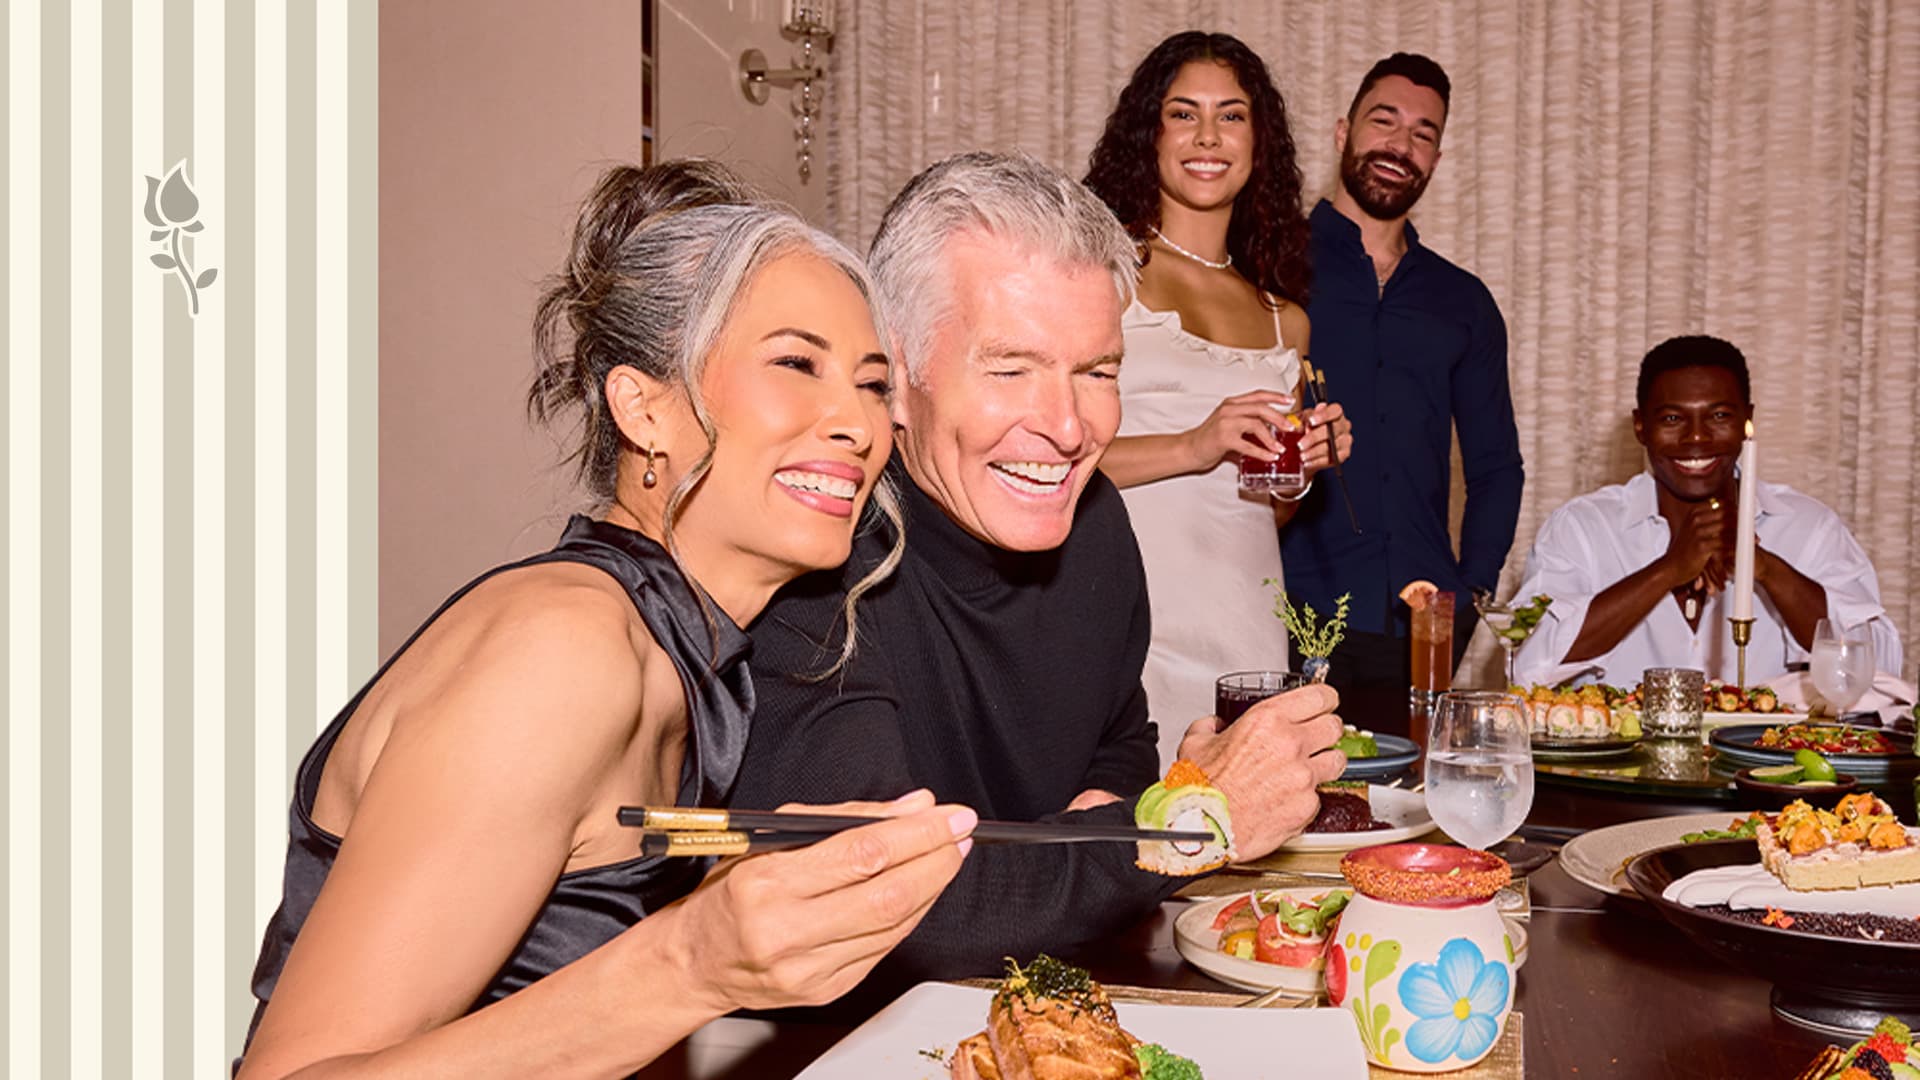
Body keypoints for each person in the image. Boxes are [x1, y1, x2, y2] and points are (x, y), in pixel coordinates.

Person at [237, 162, 975, 1079]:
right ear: (645, 405)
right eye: (796, 364)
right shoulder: (562, 650)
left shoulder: (691, 650)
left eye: (872, 385)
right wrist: (693, 960)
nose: (858, 426)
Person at [729, 151, 1348, 997]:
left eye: (1097, 371)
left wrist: (1104, 835)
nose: (1067, 428)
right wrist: (1187, 822)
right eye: (1011, 367)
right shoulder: (813, 565)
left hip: (1054, 1006)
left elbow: (1121, 750)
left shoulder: (1094, 527)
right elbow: (904, 915)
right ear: (896, 378)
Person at [1084, 31, 1353, 767]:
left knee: (1242, 844)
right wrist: (1192, 443)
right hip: (1130, 618)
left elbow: (1264, 508)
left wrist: (1301, 470)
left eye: (1231, 116)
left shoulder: (1282, 317)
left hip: (1246, 624)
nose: (1208, 136)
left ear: (1259, 141)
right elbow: (1047, 463)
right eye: (1183, 113)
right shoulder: (1103, 277)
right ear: (1150, 133)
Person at [1278, 52, 1524, 707]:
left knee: (1414, 808)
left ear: (1437, 160)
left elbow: (1497, 466)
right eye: (1384, 122)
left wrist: (1470, 590)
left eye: (1423, 134)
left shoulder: (1463, 300)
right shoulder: (1269, 268)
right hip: (1288, 613)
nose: (1401, 145)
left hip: (1419, 625)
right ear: (1341, 133)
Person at [1512, 335, 1902, 687]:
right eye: (1671, 418)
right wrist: (1668, 569)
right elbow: (1524, 667)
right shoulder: (1582, 528)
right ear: (1640, 427)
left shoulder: (1809, 527)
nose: (1696, 437)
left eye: (1718, 416)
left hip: (1761, 764)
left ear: (1747, 419)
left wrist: (1764, 567)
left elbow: (1881, 669)